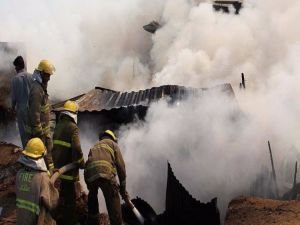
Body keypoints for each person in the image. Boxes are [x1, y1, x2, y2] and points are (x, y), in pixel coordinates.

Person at [84, 130, 128, 225]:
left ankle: (93, 220)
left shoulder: (94, 146)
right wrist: (123, 190)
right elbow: (121, 168)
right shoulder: (113, 144)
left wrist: (89, 185)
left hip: (91, 177)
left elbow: (87, 165)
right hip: (107, 177)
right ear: (113, 138)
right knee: (114, 209)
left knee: (92, 201)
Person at [52, 100, 84, 225]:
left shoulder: (58, 125)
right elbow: (76, 148)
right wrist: (81, 162)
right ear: (74, 114)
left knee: (61, 195)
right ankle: (68, 221)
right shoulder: (73, 127)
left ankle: (55, 217)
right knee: (70, 201)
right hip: (69, 170)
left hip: (58, 169)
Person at [16, 137, 59, 225]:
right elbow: (51, 203)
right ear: (41, 156)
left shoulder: (19, 174)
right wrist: (54, 189)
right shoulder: (42, 177)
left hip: (21, 221)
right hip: (36, 220)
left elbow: (32, 183)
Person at [28, 59, 55, 172]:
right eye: (47, 75)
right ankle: (43, 175)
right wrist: (38, 130)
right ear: (41, 73)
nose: (49, 78)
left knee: (48, 151)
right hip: (40, 131)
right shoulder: (36, 89)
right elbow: (35, 112)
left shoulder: (41, 87)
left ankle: (50, 172)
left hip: (45, 130)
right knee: (42, 153)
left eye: (49, 75)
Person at [11, 56, 33, 148]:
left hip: (22, 110)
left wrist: (12, 107)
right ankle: (35, 148)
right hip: (32, 109)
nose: (15, 68)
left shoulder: (15, 79)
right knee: (32, 130)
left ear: (17, 66)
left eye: (15, 66)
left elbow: (14, 98)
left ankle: (27, 151)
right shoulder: (31, 76)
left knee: (24, 133)